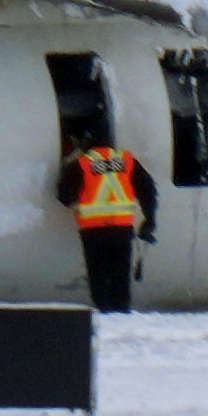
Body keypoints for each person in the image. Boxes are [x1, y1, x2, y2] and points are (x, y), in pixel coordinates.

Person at [55, 129, 158, 314]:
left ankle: (104, 312)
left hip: (93, 230)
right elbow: (148, 189)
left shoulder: (82, 164)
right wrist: (150, 219)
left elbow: (64, 196)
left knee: (98, 275)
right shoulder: (127, 161)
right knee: (121, 275)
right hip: (122, 228)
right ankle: (122, 312)